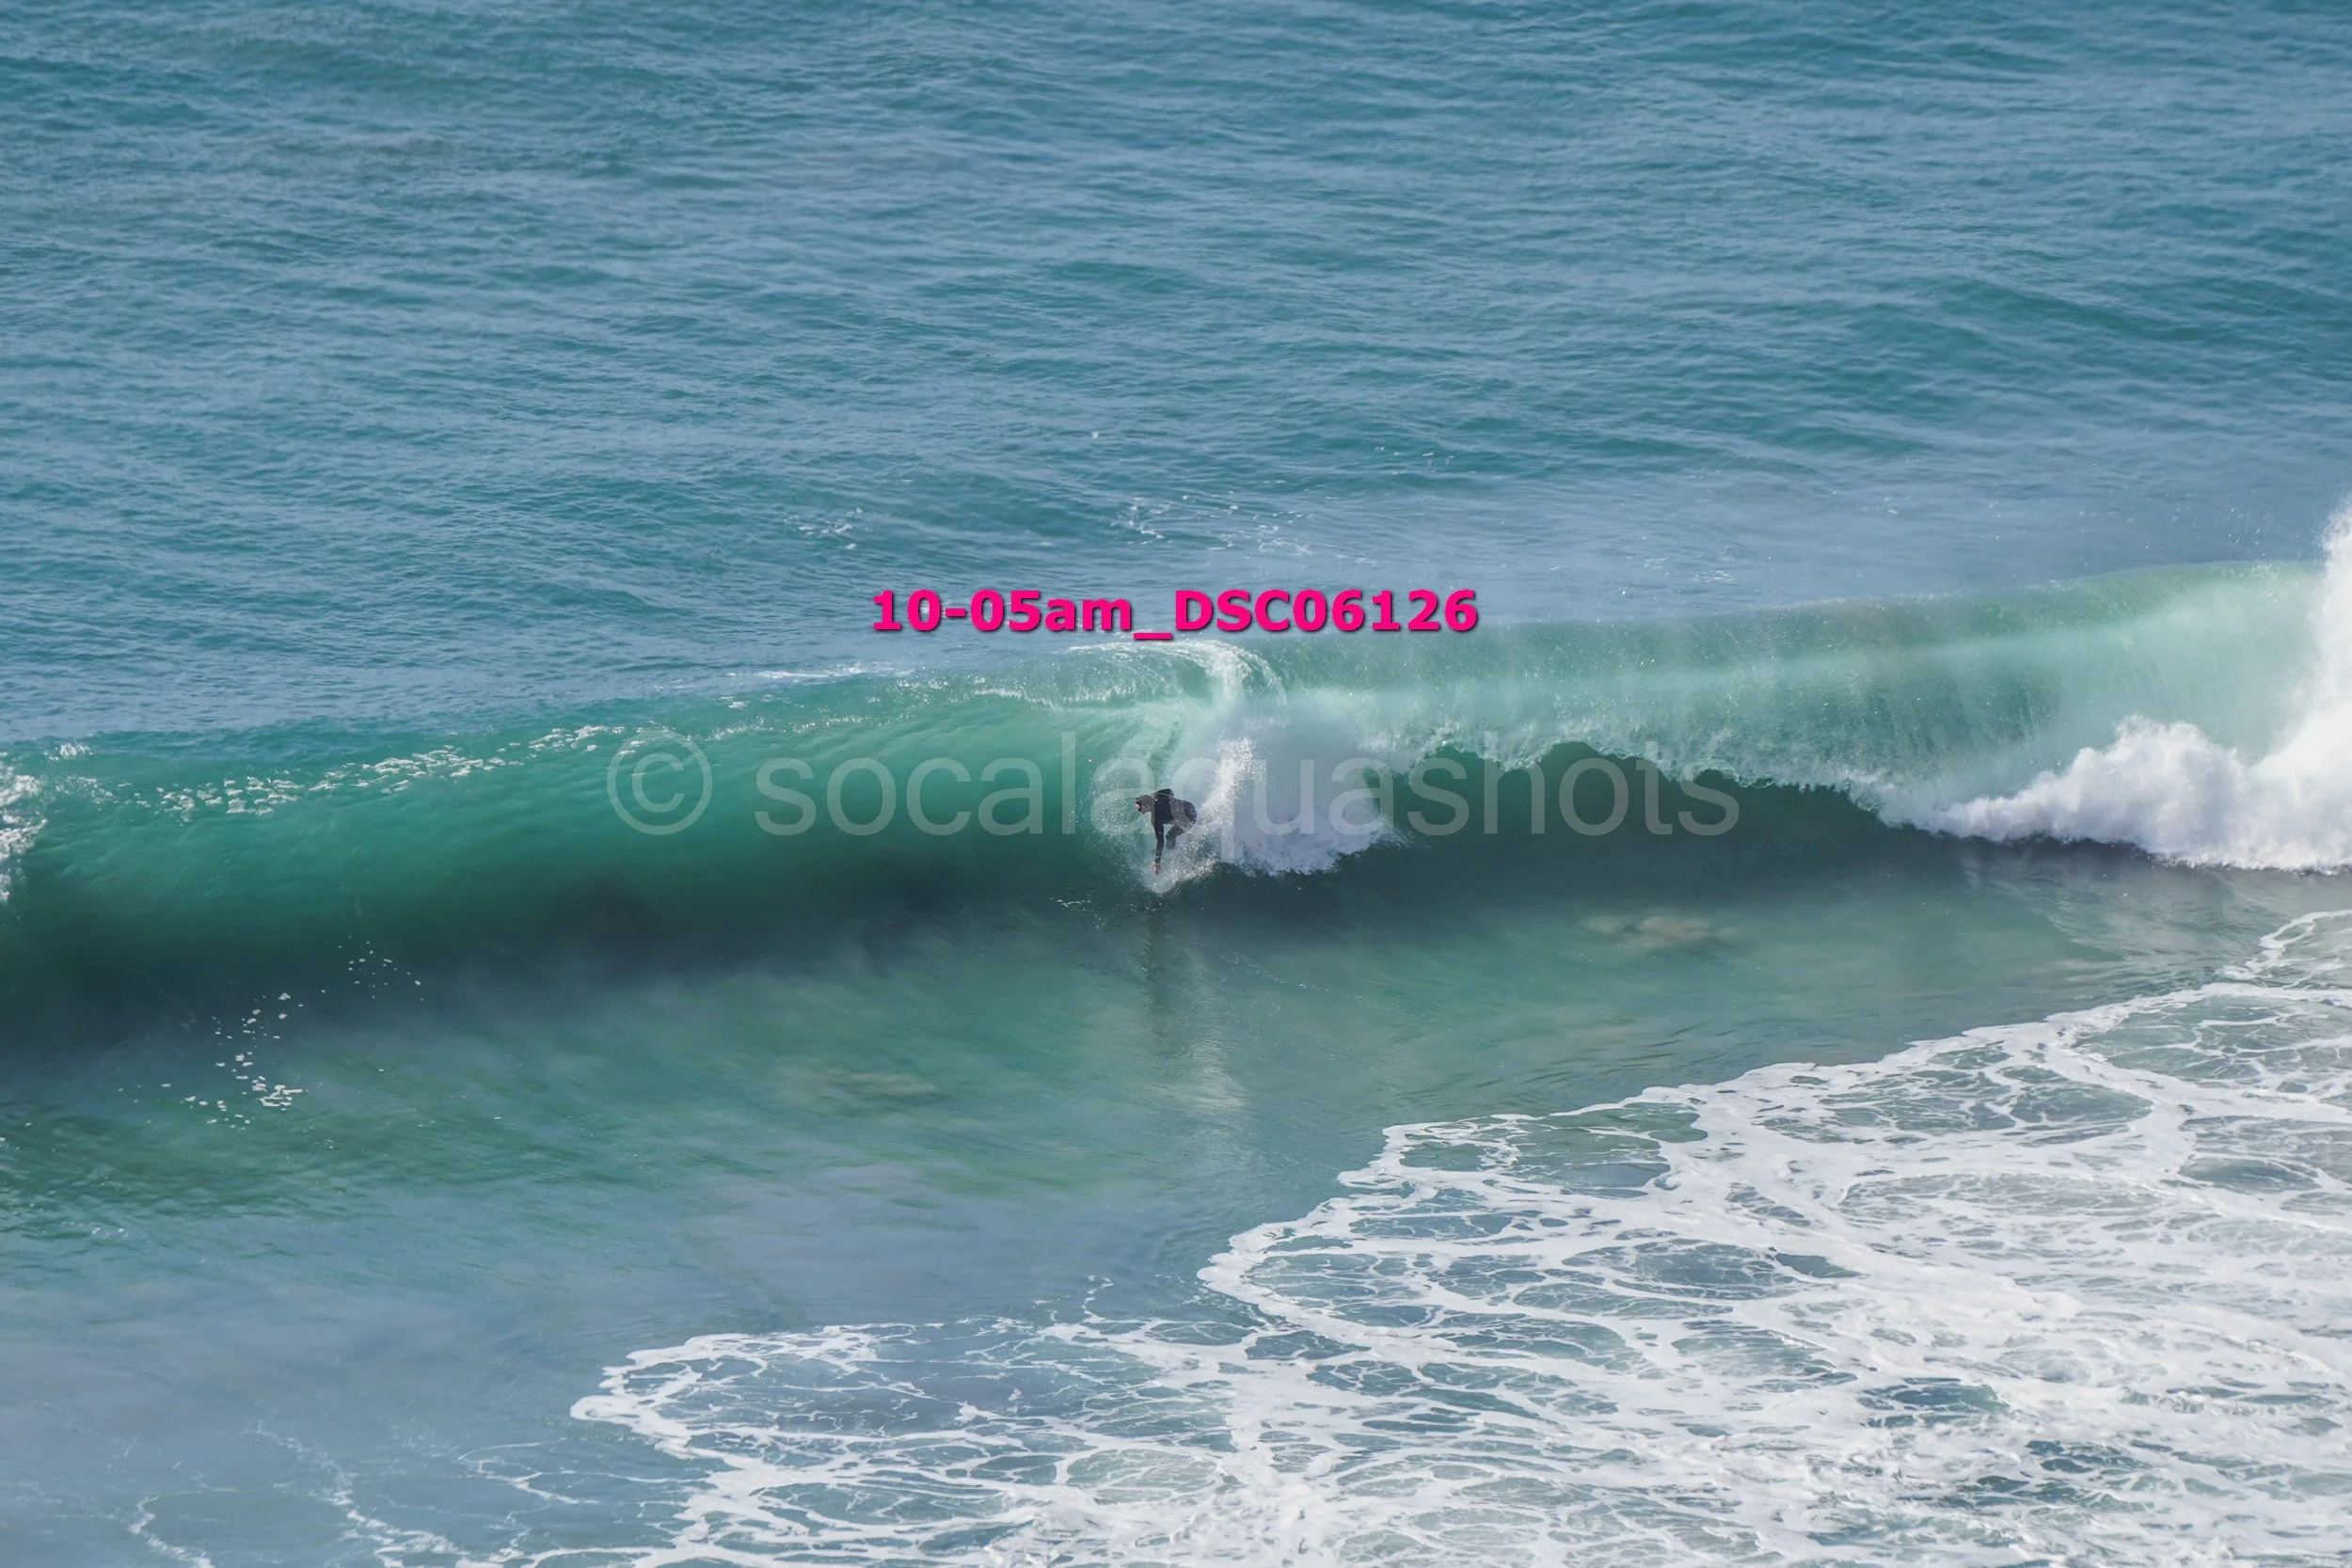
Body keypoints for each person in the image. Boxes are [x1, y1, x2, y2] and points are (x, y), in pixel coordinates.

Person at [1135, 788, 1198, 872]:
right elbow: (1169, 791)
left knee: (1170, 836)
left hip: (1189, 818)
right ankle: (1167, 849)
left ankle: (1171, 852)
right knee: (1173, 822)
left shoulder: (1156, 818)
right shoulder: (1155, 795)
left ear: (1147, 806)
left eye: (1139, 808)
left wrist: (1157, 862)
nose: (1138, 809)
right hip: (1190, 806)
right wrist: (1172, 802)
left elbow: (1160, 841)